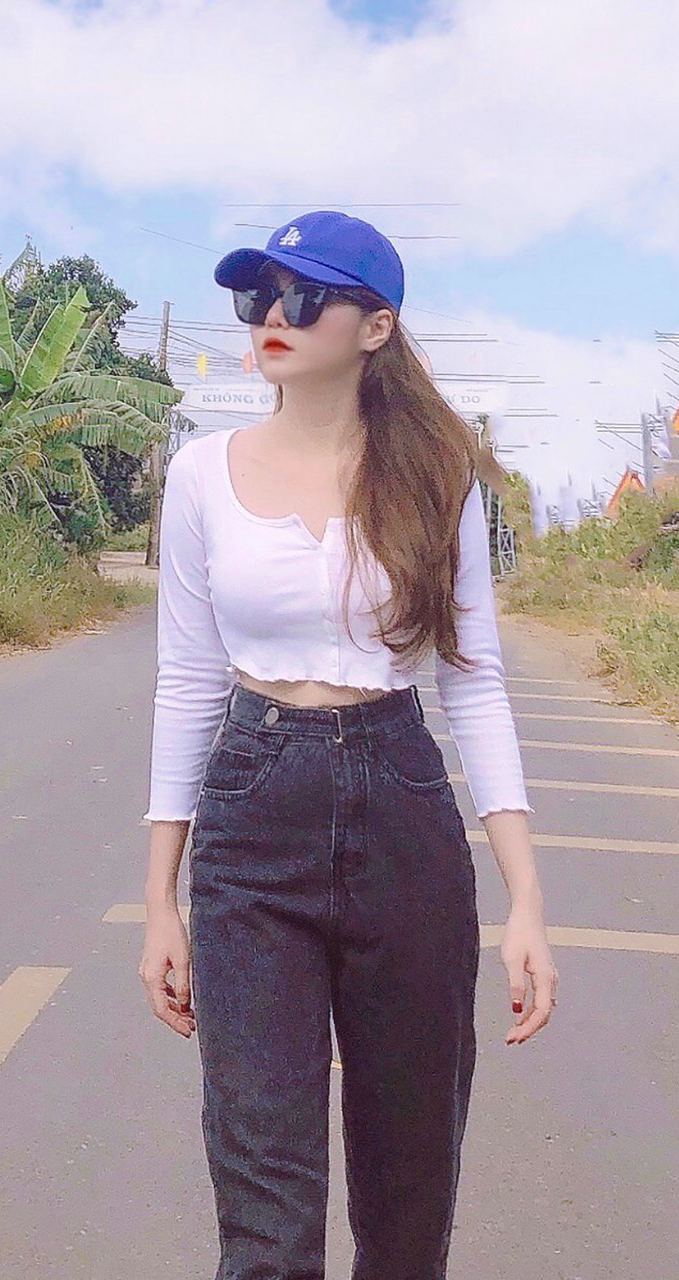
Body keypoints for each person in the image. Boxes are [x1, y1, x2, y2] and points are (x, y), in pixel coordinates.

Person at [139, 210, 559, 1280]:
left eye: (302, 295)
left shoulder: (439, 475)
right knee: (266, 1218)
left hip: (402, 808)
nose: (270, 316)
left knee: (409, 1201)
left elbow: (474, 680)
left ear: (376, 327)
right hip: (252, 816)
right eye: (257, 295)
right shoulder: (201, 473)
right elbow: (188, 680)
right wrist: (160, 898)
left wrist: (526, 899)